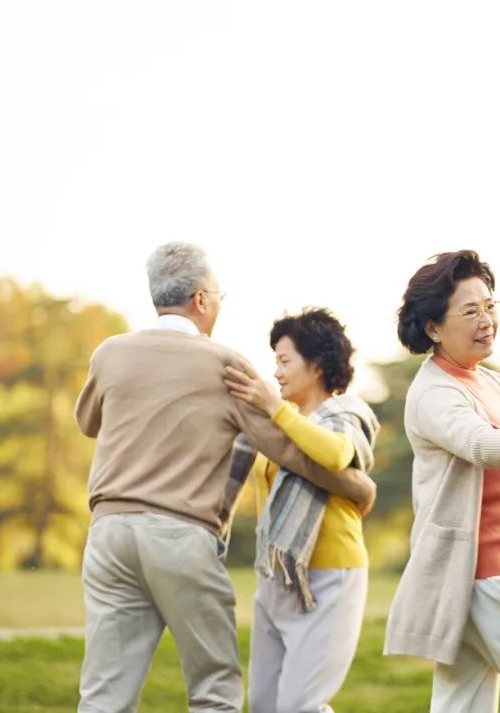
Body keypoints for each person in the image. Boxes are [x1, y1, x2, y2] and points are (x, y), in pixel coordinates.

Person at [73, 243, 376, 713]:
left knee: (104, 693)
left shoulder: (110, 352)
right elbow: (286, 451)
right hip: (179, 536)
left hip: (109, 535)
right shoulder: (225, 365)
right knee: (214, 689)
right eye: (218, 295)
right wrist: (358, 485)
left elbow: (88, 422)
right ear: (200, 299)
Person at [383, 250, 500, 712]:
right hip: (481, 574)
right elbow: (481, 445)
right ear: (433, 328)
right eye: (470, 310)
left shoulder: (491, 383)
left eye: (490, 305)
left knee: (462, 705)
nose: (487, 319)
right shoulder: (434, 392)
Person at [224, 307, 378, 713]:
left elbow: (335, 454)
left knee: (299, 706)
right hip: (278, 575)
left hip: (330, 577)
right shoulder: (281, 423)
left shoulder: (346, 414)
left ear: (317, 364)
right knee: (264, 703)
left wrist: (273, 408)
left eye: (284, 360)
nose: (276, 372)